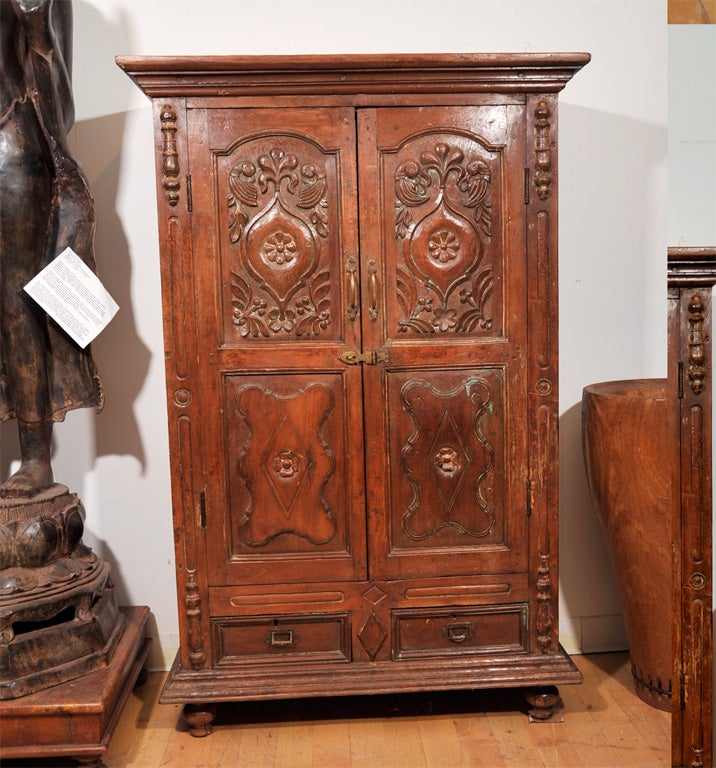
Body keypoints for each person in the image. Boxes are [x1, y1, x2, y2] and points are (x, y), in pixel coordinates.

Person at [0, 0, 102, 499]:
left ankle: (35, 454)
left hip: (9, 143)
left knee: (17, 302)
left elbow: (61, 106)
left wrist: (36, 27)